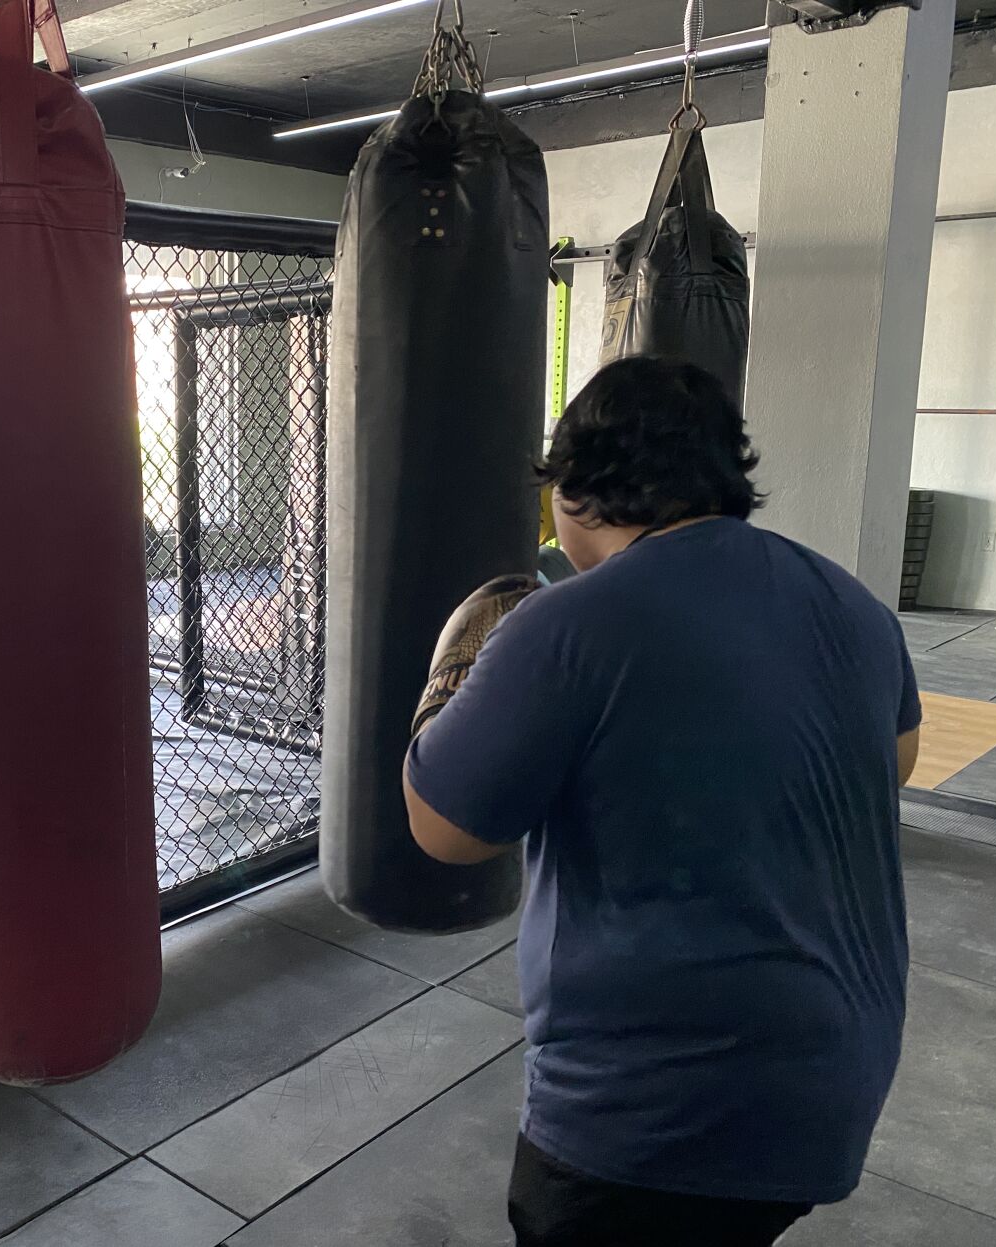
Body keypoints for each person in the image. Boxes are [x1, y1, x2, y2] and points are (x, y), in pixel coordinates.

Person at [403, 357, 920, 1247]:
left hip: (650, 1115)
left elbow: (444, 830)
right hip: (834, 1078)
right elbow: (897, 760)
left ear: (571, 490)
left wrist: (446, 685)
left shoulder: (564, 624)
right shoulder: (855, 603)